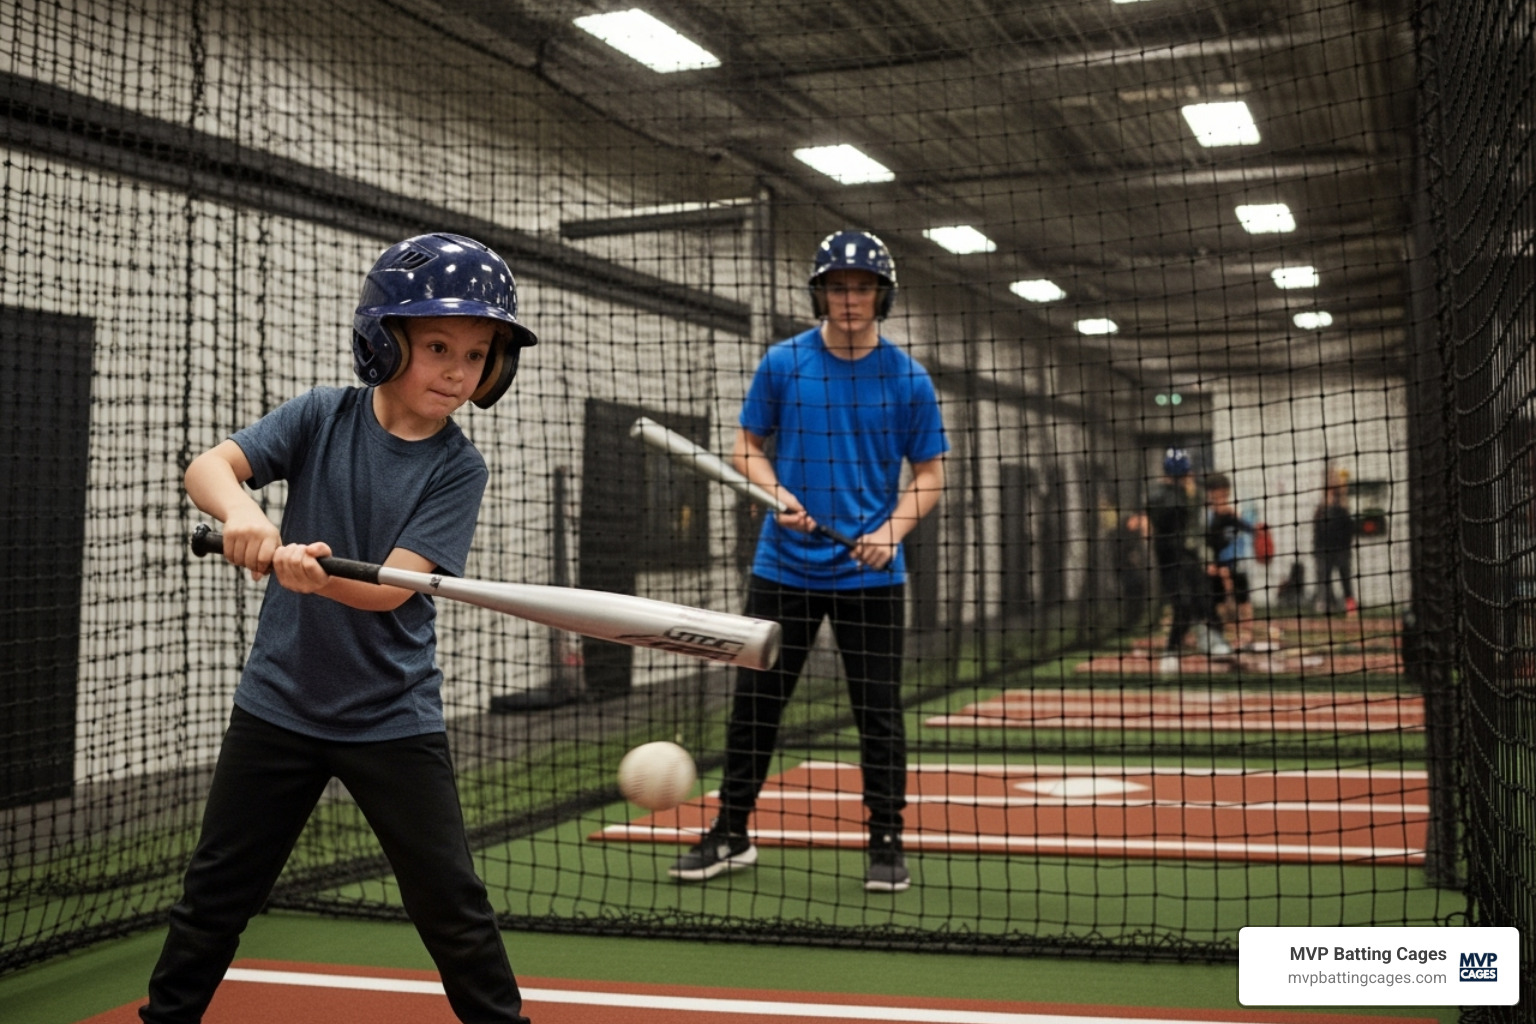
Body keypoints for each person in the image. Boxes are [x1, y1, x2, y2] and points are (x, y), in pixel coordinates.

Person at [139, 233, 538, 1024]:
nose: (458, 370)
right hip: (278, 706)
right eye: (435, 346)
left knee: (452, 908)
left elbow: (393, 589)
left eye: (477, 352)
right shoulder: (322, 414)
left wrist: (316, 576)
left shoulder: (460, 467)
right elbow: (208, 470)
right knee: (214, 897)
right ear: (381, 340)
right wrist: (247, 513)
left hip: (392, 715)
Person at [669, 230, 948, 894]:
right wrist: (774, 492)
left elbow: (931, 473)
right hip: (783, 568)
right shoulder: (784, 363)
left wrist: (892, 531)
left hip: (871, 574)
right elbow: (745, 446)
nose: (849, 299)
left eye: (862, 287)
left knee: (877, 712)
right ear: (819, 293)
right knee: (756, 706)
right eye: (837, 286)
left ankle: (886, 840)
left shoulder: (909, 377)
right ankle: (731, 832)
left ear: (882, 295)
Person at [1145, 449, 1230, 675]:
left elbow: (1197, 530)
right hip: (1169, 559)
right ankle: (1171, 651)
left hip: (1190, 556)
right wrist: (1183, 491)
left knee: (1204, 598)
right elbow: (1159, 511)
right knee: (1182, 604)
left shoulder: (1192, 495)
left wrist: (1207, 559)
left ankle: (1212, 640)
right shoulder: (1159, 494)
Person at [1203, 473, 1257, 648]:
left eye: (1221, 494)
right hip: (1217, 565)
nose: (1217, 499)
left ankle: (1247, 636)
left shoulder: (1235, 513)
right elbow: (1206, 542)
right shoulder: (1208, 517)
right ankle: (1225, 637)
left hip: (1236, 561)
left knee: (1243, 600)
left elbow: (1250, 530)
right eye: (1214, 495)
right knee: (1220, 603)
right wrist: (1211, 564)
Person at [1312, 467, 1357, 617]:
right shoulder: (1322, 507)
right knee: (1324, 579)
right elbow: (1318, 527)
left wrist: (1341, 494)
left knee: (1346, 578)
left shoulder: (1342, 505)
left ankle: (1350, 605)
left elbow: (1349, 526)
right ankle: (1326, 604)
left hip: (1342, 548)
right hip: (1324, 550)